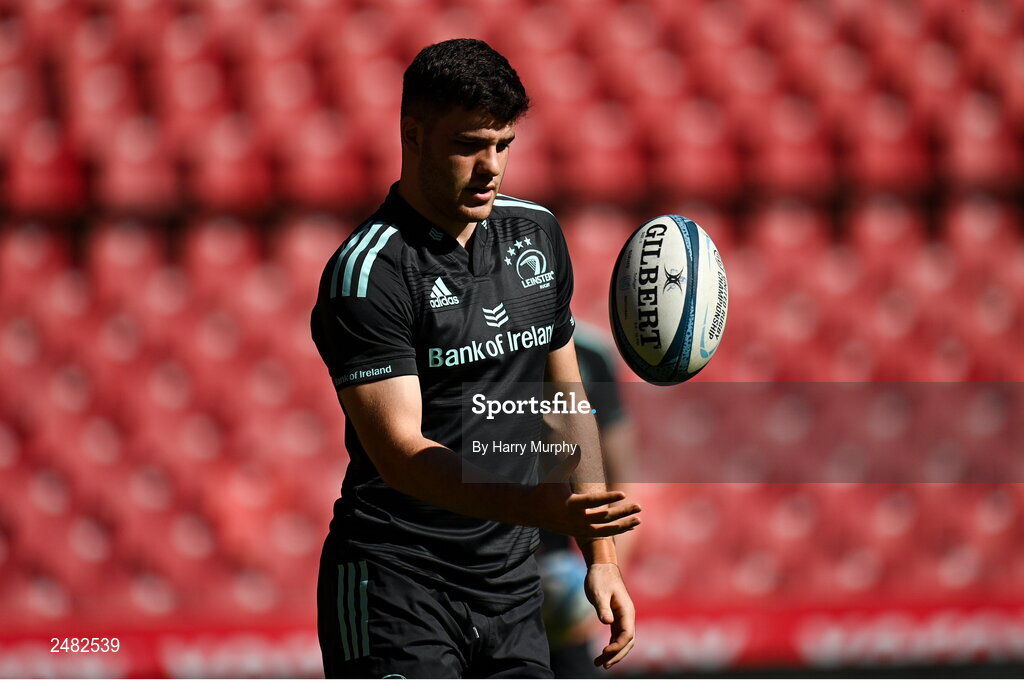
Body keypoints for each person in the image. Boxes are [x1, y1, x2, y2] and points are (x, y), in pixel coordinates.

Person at [310, 39, 641, 678]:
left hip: (512, 586)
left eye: (504, 145)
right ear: (413, 135)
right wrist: (541, 510)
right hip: (395, 580)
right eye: (469, 145)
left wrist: (601, 558)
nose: (491, 166)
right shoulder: (368, 274)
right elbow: (404, 456)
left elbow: (567, 403)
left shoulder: (536, 234)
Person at [538, 321, 638, 678]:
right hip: (490, 560)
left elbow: (621, 482)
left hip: (562, 578)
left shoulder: (592, 354)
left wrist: (606, 574)